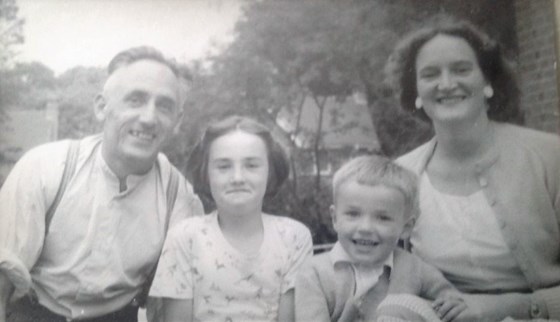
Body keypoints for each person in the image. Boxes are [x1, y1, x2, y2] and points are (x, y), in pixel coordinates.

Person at [0, 46, 203, 322]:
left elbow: (173, 306)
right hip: (33, 312)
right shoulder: (44, 168)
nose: (148, 118)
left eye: (164, 106)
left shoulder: (180, 200)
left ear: (177, 121)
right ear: (101, 107)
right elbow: (3, 276)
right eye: (135, 100)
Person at [386, 14, 560, 321]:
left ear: (488, 82)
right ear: (415, 93)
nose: (447, 83)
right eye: (430, 74)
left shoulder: (549, 157)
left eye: (462, 69)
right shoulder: (402, 174)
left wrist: (509, 307)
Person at [148, 115, 313, 322]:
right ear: (205, 173)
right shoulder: (185, 237)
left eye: (251, 165)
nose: (237, 178)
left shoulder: (293, 237)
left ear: (270, 172)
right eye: (224, 166)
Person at [295, 155, 467, 322]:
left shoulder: (413, 268)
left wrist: (450, 302)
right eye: (353, 214)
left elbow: (450, 299)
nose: (366, 228)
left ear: (406, 227)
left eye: (382, 218)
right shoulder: (314, 273)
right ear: (335, 219)